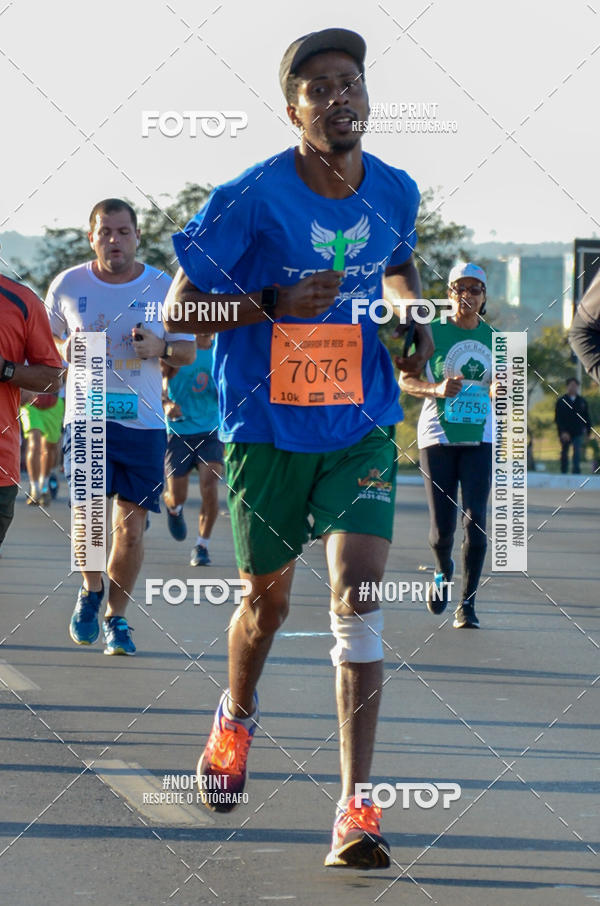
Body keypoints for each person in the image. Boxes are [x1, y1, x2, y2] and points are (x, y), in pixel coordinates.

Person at [165, 28, 433, 869]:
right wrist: (271, 302)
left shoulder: (393, 189)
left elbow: (399, 266)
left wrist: (411, 322)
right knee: (267, 605)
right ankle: (236, 717)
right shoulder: (248, 198)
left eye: (349, 81)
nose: (339, 95)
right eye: (319, 88)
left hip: (358, 426)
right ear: (294, 111)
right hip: (265, 431)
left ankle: (357, 808)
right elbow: (180, 313)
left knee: (358, 597)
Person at [47, 198, 195, 655]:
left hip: (144, 423)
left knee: (131, 530)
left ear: (136, 236)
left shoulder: (161, 285)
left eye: (123, 231)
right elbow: (47, 342)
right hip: (88, 415)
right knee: (89, 518)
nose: (114, 240)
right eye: (105, 232)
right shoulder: (67, 285)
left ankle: (117, 617)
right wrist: (63, 349)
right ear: (91, 237)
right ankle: (93, 589)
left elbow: (186, 351)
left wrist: (159, 348)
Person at [399, 263, 494, 630]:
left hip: (480, 437)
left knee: (476, 522)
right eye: (459, 289)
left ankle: (467, 605)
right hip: (438, 436)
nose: (466, 296)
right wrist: (436, 389)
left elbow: (510, 395)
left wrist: (500, 392)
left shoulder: (498, 339)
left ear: (484, 297)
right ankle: (442, 568)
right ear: (449, 293)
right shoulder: (431, 332)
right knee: (442, 531)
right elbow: (406, 380)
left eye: (474, 290)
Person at [0, 274, 63, 548]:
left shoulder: (22, 300)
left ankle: (42, 482)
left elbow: (51, 377)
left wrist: (6, 369)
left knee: (47, 445)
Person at [161, 334, 224, 566]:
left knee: (210, 484)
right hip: (179, 430)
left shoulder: (219, 350)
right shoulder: (179, 350)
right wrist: (166, 404)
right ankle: (173, 509)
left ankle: (202, 545)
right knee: (178, 496)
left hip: (210, 429)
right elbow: (158, 385)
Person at [19, 384, 65, 505]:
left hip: (54, 404)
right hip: (30, 405)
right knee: (34, 443)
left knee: (49, 449)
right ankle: (34, 489)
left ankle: (44, 486)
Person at [554, 377, 591, 474]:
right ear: (567, 386)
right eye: (571, 385)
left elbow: (586, 418)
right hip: (565, 432)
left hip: (577, 432)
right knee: (564, 454)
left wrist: (588, 432)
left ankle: (576, 474)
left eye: (575, 386)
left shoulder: (582, 401)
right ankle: (563, 473)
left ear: (578, 387)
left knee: (577, 454)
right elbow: (558, 419)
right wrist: (562, 432)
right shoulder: (561, 401)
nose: (573, 388)